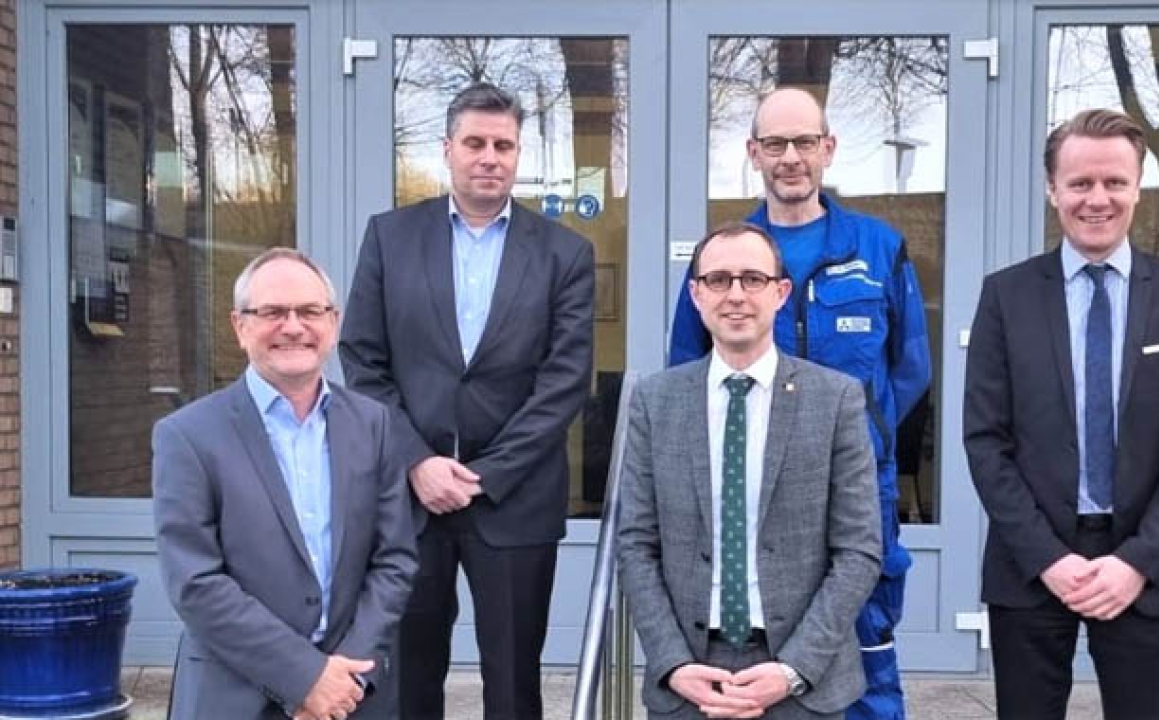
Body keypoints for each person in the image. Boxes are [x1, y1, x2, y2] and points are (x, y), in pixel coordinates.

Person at [669, 87, 930, 720]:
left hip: (858, 490)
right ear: (754, 153)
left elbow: (910, 369)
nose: (791, 157)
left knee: (867, 657)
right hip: (750, 496)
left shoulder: (877, 248)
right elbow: (685, 371)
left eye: (805, 142)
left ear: (828, 149)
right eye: (776, 144)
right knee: (757, 669)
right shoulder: (726, 256)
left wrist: (850, 435)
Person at [339, 81, 594, 720]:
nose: (490, 156)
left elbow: (564, 381)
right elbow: (363, 360)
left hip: (515, 501)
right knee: (407, 681)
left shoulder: (565, 253)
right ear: (448, 149)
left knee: (513, 685)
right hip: (409, 500)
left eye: (503, 145)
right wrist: (417, 462)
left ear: (518, 155)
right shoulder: (390, 238)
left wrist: (486, 476)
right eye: (475, 142)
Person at [963, 108, 1159, 719]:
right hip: (1031, 563)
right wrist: (1049, 560)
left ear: (1138, 188)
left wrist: (1137, 562)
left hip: (1145, 563)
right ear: (1053, 190)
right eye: (1080, 183)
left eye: (1114, 182)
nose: (1097, 199)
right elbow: (985, 441)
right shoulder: (1006, 295)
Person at [619, 222, 883, 720]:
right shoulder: (656, 402)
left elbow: (859, 550)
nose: (736, 294)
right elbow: (636, 543)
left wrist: (792, 668)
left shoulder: (837, 399)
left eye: (753, 279)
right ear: (696, 294)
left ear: (781, 292)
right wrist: (673, 663)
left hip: (804, 679)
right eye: (718, 280)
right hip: (690, 676)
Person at [153, 248, 418, 720]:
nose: (293, 326)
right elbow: (196, 582)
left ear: (332, 323)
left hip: (354, 695)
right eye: (272, 312)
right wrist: (305, 677)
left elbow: (394, 560)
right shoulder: (187, 435)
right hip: (236, 695)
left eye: (310, 311)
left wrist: (342, 679)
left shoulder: (373, 423)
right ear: (240, 326)